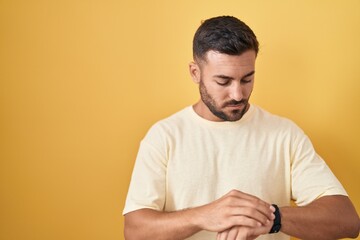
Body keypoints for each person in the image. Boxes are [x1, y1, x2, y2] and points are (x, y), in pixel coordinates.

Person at [123, 16, 360, 240]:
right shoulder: (164, 137)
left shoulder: (284, 134)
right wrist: (203, 215)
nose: (238, 94)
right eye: (223, 81)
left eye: (247, 79)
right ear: (196, 73)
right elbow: (135, 230)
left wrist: (271, 217)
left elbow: (347, 220)